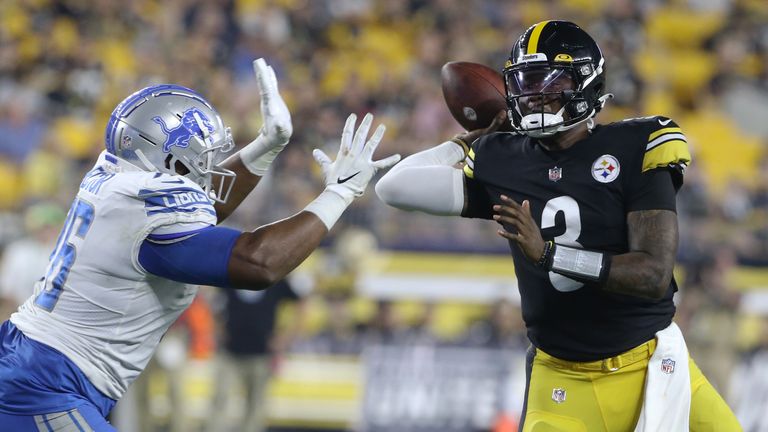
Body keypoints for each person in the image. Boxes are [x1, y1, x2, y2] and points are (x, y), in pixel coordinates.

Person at [376, 20, 741, 431]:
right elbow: (394, 187)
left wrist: (550, 255)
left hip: (652, 365)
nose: (534, 96)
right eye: (525, 83)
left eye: (549, 82)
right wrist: (464, 141)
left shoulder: (636, 146)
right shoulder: (502, 158)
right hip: (563, 381)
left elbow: (653, 275)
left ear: (585, 83)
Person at [0, 58, 400, 431]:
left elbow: (200, 213)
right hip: (48, 381)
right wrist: (339, 194)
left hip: (36, 361)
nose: (210, 168)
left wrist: (265, 146)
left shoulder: (119, 176)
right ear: (169, 159)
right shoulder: (146, 203)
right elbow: (258, 263)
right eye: (201, 157)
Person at [206, 279, 307, 432]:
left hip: (261, 355)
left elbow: (301, 303)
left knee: (255, 405)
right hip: (230, 353)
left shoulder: (274, 276)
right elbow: (214, 300)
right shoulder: (234, 272)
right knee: (220, 398)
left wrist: (285, 338)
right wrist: (218, 328)